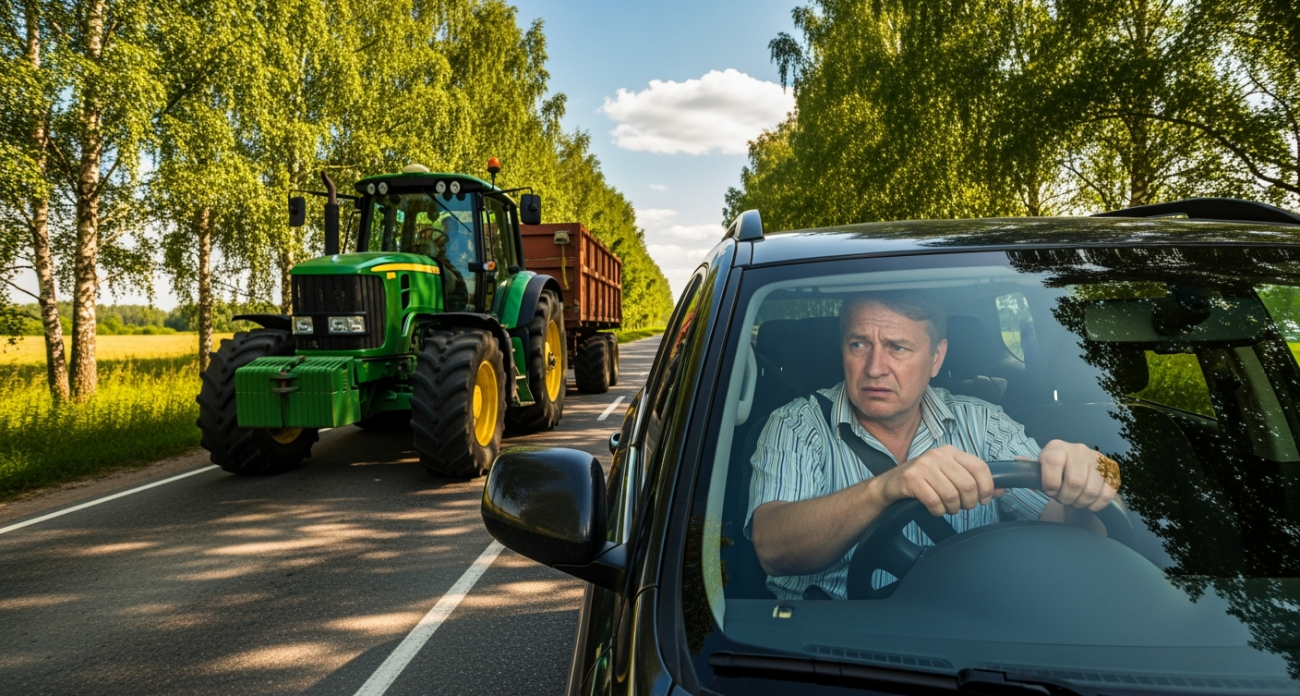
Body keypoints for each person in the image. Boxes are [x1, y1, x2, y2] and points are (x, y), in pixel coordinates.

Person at [745, 293, 1120, 600]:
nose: (875, 367)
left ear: (936, 357)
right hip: (830, 645)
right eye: (859, 344)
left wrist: (1089, 480)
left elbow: (1077, 537)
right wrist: (885, 488)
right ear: (842, 349)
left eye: (898, 348)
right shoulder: (796, 424)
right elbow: (773, 549)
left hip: (972, 631)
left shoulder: (984, 423)